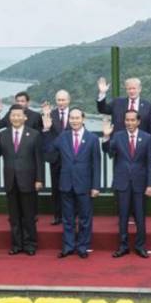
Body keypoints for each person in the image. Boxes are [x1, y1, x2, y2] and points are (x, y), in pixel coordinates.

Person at [43, 108, 101, 259]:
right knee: (67, 219)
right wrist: (46, 131)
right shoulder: (63, 136)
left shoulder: (92, 139)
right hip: (66, 183)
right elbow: (48, 153)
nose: (74, 121)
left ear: (83, 119)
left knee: (85, 219)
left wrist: (96, 186)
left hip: (85, 184)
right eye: (72, 118)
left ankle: (82, 247)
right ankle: (68, 247)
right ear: (69, 120)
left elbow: (96, 164)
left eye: (77, 118)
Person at [0, 104, 44, 255]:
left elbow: (39, 159)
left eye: (19, 115)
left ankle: (30, 244)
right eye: (13, 115)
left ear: (24, 117)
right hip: (10, 180)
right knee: (14, 217)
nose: (16, 118)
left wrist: (39, 179)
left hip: (29, 180)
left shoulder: (34, 134)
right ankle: (16, 245)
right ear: (9, 117)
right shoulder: (4, 134)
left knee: (28, 216)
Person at [101, 110, 151, 258]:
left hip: (140, 183)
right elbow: (109, 152)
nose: (129, 123)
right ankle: (123, 246)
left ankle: (140, 246)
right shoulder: (118, 136)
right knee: (123, 216)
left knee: (140, 217)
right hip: (122, 182)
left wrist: (150, 184)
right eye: (127, 120)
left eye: (132, 120)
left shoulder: (147, 137)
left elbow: (150, 163)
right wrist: (106, 137)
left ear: (138, 122)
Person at [41, 90, 71, 225]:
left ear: (69, 100)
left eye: (63, 100)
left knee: (71, 187)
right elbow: (44, 134)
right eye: (59, 100)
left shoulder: (75, 114)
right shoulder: (50, 115)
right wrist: (45, 115)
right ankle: (57, 216)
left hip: (71, 158)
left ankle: (71, 215)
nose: (61, 102)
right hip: (55, 157)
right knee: (56, 188)